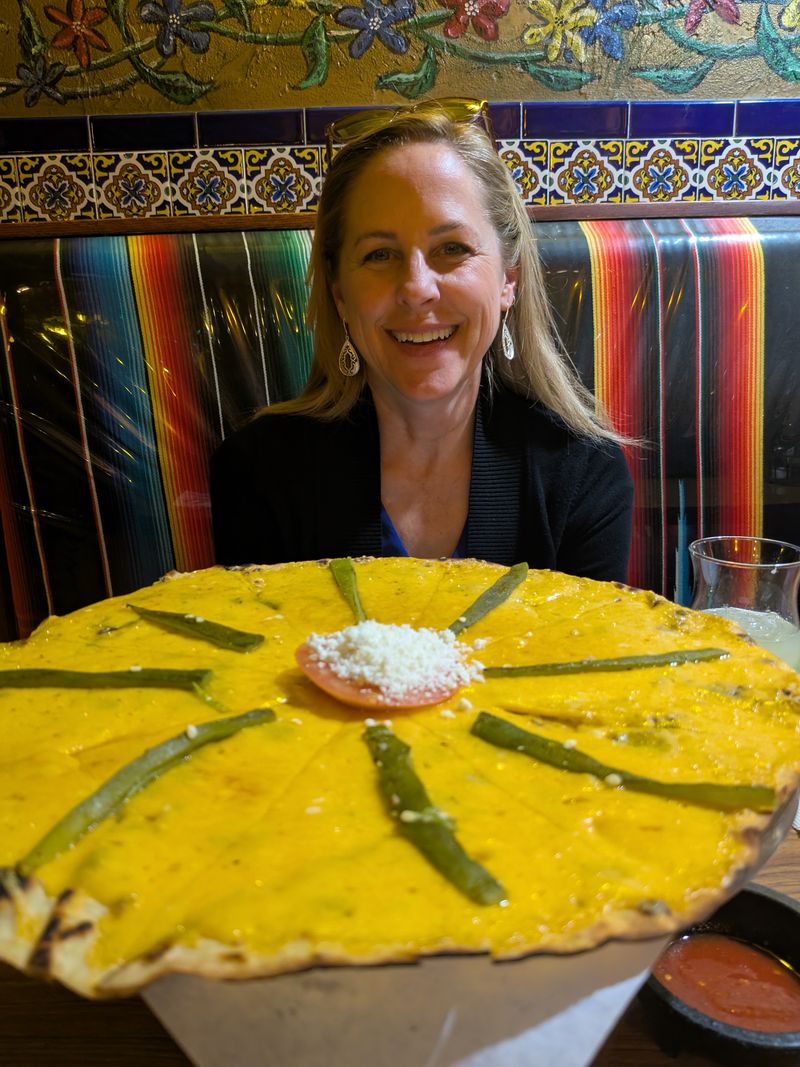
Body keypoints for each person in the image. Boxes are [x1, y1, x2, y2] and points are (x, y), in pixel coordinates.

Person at [210, 99, 633, 582]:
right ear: (339, 294)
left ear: (507, 280)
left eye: (451, 249)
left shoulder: (584, 473)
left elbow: (594, 656)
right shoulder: (258, 474)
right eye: (379, 254)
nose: (416, 288)